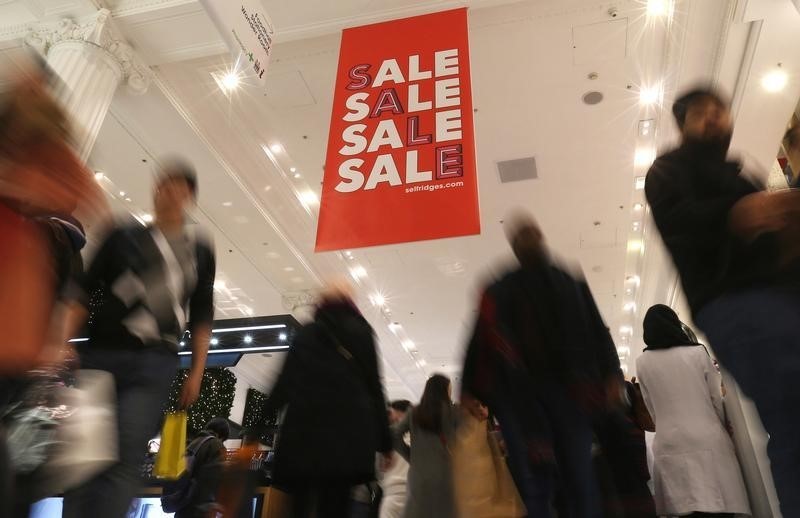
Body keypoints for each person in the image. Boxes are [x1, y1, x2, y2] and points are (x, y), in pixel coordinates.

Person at [645, 87, 800, 514]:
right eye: (701, 112)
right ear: (682, 124)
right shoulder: (667, 171)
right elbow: (682, 224)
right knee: (792, 420)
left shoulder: (740, 172)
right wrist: (741, 213)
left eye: (719, 110)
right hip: (736, 304)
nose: (713, 117)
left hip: (777, 300)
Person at [61, 160, 216, 518]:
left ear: (189, 195)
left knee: (126, 455)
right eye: (163, 184)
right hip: (102, 356)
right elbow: (83, 291)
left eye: (178, 186)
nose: (168, 192)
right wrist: (63, 338)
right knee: (85, 454)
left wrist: (196, 371)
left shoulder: (200, 251)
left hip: (154, 362)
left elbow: (202, 313)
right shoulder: (122, 235)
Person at [461, 213, 623, 517]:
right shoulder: (498, 290)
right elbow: (479, 341)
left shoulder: (570, 282)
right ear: (514, 244)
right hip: (521, 399)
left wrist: (612, 373)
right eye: (522, 234)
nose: (529, 238)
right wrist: (469, 389)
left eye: (532, 232)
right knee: (535, 481)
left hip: (570, 394)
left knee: (577, 476)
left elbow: (598, 332)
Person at [263, 281, 392, 518]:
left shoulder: (307, 332)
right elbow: (375, 388)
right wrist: (386, 444)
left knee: (299, 507)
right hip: (344, 447)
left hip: (303, 441)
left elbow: (284, 381)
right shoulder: (362, 333)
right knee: (334, 507)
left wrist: (257, 427)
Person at [635, 305, 749, 518]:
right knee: (719, 505)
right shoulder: (697, 352)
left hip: (668, 441)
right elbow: (715, 396)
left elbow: (651, 406)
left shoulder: (642, 362)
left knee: (686, 508)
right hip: (706, 435)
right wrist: (722, 424)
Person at [392, 374, 459, 518]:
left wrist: (410, 456)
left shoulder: (414, 412)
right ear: (444, 390)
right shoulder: (454, 413)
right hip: (447, 476)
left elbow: (395, 435)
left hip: (419, 476)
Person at [452, 396, 525, 518]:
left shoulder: (457, 410)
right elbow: (484, 414)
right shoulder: (475, 402)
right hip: (482, 455)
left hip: (466, 461)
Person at [175, 417, 230, 518]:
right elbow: (214, 480)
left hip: (182, 505)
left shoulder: (192, 443)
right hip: (199, 509)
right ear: (221, 435)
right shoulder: (216, 445)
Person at [380, 400, 411, 518]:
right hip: (413, 497)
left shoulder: (387, 440)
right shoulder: (422, 440)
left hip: (391, 495)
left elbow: (380, 471)